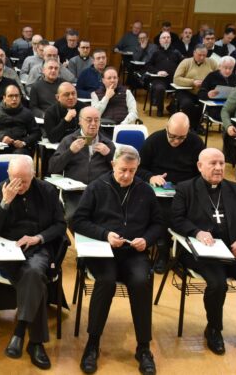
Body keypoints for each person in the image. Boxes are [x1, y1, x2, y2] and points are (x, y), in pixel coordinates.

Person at [72, 145, 161, 375]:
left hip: (133, 253)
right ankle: (93, 344)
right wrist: (104, 234)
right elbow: (78, 221)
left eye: (132, 171)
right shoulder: (97, 187)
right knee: (106, 281)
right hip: (103, 251)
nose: (127, 175)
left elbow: (159, 224)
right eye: (123, 170)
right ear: (113, 165)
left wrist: (147, 239)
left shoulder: (145, 190)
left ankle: (143, 348)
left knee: (142, 282)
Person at [171, 148, 236, 357]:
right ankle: (214, 329)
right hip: (205, 253)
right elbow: (175, 219)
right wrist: (196, 232)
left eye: (221, 163)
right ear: (199, 166)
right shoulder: (186, 189)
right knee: (217, 284)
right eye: (213, 163)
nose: (218, 168)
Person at [0, 156, 67, 370]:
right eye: (14, 180)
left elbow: (60, 225)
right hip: (8, 251)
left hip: (38, 248)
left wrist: (38, 238)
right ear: (8, 176)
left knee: (33, 272)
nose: (18, 186)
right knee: (34, 278)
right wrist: (5, 203)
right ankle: (35, 343)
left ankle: (21, 332)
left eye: (24, 181)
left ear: (33, 176)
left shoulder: (47, 191)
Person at [137, 112, 205, 273]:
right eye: (172, 136)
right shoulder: (155, 140)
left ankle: (184, 253)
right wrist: (151, 177)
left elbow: (201, 173)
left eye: (181, 138)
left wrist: (188, 186)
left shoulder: (196, 142)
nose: (176, 141)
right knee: (163, 212)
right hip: (158, 191)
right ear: (166, 127)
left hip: (185, 190)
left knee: (191, 210)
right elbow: (138, 168)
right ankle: (163, 250)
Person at [48, 107, 115, 220]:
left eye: (96, 120)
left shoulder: (107, 143)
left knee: (107, 218)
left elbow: (120, 170)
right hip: (75, 193)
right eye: (89, 120)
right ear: (80, 121)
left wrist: (109, 154)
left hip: (102, 192)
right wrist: (70, 152)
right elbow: (53, 168)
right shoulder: (69, 140)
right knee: (75, 217)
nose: (93, 124)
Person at [0, 85, 41, 156]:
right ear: (4, 98)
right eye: (10, 96)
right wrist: (1, 138)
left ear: (20, 97)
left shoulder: (27, 113)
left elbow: (36, 133)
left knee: (18, 155)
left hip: (20, 150)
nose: (14, 99)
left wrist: (24, 142)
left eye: (17, 96)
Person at [173, 44, 218, 131]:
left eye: (204, 55)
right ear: (194, 53)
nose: (202, 57)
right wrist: (192, 82)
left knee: (204, 105)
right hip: (186, 91)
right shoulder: (186, 62)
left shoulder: (211, 62)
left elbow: (218, 76)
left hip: (203, 91)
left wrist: (208, 84)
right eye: (199, 55)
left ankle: (197, 125)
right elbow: (176, 79)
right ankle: (191, 126)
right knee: (188, 104)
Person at [145, 31, 183, 116]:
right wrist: (157, 72)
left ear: (170, 40)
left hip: (173, 80)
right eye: (164, 38)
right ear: (160, 41)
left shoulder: (176, 52)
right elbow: (147, 65)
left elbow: (183, 64)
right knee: (159, 88)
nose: (166, 39)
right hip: (159, 79)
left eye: (168, 37)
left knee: (182, 90)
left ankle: (171, 107)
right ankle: (160, 108)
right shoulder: (156, 52)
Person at [198, 56, 236, 121]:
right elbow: (200, 94)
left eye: (230, 68)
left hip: (231, 106)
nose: (228, 71)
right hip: (215, 107)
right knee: (228, 117)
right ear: (219, 67)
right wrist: (208, 94)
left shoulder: (235, 77)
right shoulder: (211, 76)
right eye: (225, 68)